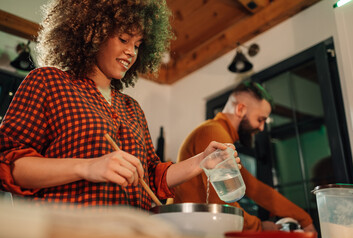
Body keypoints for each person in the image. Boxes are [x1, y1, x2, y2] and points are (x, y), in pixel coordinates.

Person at [0, 0, 237, 210]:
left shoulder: (131, 108)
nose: (130, 52)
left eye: (137, 45)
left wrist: (201, 161)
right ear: (93, 33)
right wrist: (88, 167)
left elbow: (151, 178)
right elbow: (9, 166)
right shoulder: (48, 82)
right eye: (124, 39)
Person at [173, 82, 317, 232]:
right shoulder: (214, 133)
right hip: (189, 231)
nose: (262, 128)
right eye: (260, 119)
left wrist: (304, 219)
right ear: (240, 109)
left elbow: (255, 189)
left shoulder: (218, 133)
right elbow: (222, 204)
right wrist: (259, 226)